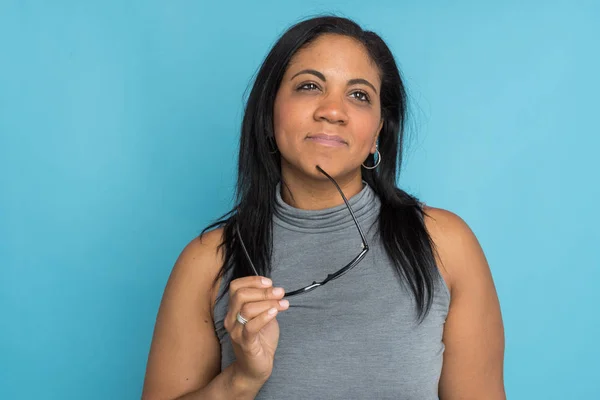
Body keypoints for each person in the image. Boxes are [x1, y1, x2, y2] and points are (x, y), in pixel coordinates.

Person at [141, 15, 505, 400]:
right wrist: (242, 379)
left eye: (359, 95)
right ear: (269, 114)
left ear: (378, 131)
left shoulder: (446, 245)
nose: (333, 111)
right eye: (309, 86)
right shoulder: (206, 263)